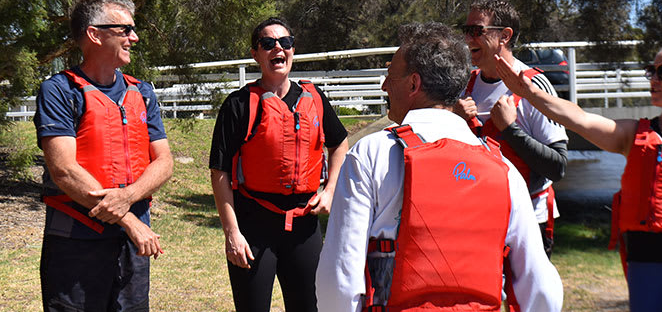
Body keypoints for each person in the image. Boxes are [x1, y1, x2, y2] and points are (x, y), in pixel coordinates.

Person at [494, 39, 662, 312]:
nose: (654, 78)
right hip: (643, 266)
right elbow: (579, 118)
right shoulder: (633, 135)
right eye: (652, 71)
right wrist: (530, 94)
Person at [316, 22, 563, 312]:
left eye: (390, 77)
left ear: (413, 84)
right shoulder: (504, 170)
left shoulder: (371, 154)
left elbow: (340, 276)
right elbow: (541, 288)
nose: (384, 86)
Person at [34, 0, 173, 312]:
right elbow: (64, 170)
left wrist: (129, 198)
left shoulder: (142, 92)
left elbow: (164, 162)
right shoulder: (59, 91)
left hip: (131, 245)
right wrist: (128, 219)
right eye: (124, 29)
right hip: (75, 244)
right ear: (94, 34)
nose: (134, 38)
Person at [209, 17, 349, 312]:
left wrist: (330, 189)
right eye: (267, 43)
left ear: (293, 50)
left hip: (304, 227)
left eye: (285, 42)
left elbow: (340, 144)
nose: (278, 49)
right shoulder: (239, 104)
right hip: (254, 226)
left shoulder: (315, 98)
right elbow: (219, 171)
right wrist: (232, 233)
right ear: (255, 54)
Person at [455, 0, 568, 257]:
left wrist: (510, 129)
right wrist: (455, 121)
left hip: (527, 222)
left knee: (527, 299)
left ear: (505, 36)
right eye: (465, 30)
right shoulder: (464, 87)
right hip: (478, 219)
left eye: (477, 31)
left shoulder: (534, 87)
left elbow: (558, 166)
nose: (468, 39)